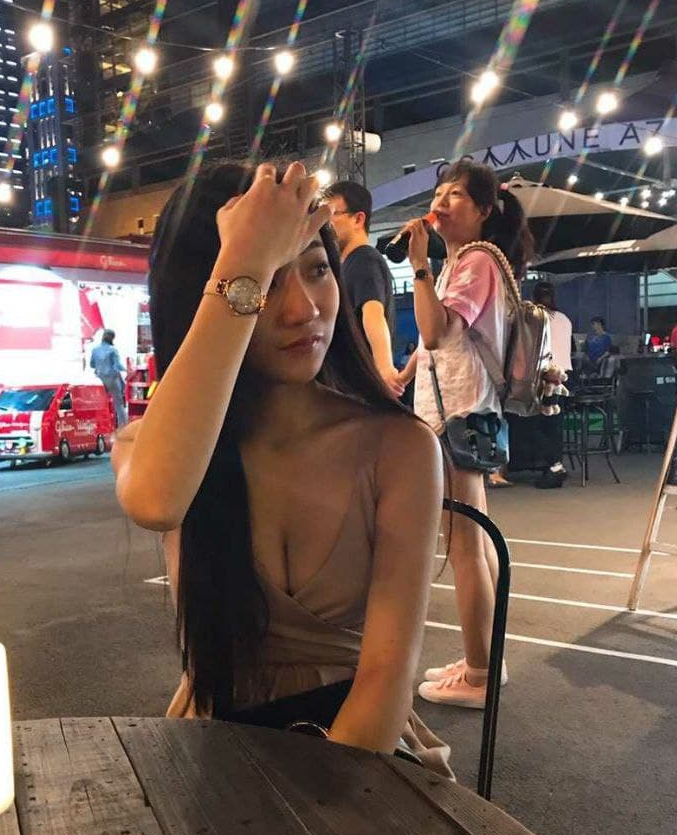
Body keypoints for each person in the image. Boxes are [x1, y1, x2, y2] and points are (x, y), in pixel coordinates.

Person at [112, 160, 451, 771]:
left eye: (317, 269)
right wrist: (243, 261)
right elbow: (156, 501)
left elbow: (385, 680)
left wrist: (306, 814)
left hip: (362, 755)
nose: (302, 310)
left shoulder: (399, 447)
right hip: (218, 745)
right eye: (267, 281)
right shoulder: (162, 449)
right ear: (208, 293)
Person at [400, 160, 534, 708]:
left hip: (460, 413)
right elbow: (436, 344)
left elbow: (436, 330)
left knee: (464, 546)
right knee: (475, 542)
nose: (441, 202)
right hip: (463, 412)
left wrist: (418, 266)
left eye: (456, 194)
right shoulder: (464, 261)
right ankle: (486, 658)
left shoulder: (475, 262)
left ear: (483, 210)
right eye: (439, 192)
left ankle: (479, 674)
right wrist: (402, 375)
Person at [323, 181, 403, 396]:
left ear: (358, 219)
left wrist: (384, 367)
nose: (325, 224)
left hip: (359, 387)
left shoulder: (363, 259)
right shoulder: (348, 264)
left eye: (332, 214)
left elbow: (373, 312)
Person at [529, 280, 571, 489]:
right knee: (555, 424)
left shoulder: (534, 317)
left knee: (540, 425)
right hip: (565, 377)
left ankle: (553, 466)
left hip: (544, 377)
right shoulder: (564, 319)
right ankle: (556, 464)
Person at [90, 328, 127, 427]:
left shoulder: (95, 350)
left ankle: (102, 426)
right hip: (112, 380)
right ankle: (123, 427)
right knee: (118, 404)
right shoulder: (113, 350)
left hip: (100, 380)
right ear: (112, 338)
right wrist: (127, 369)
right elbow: (117, 365)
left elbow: (92, 365)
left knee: (101, 405)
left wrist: (100, 365)